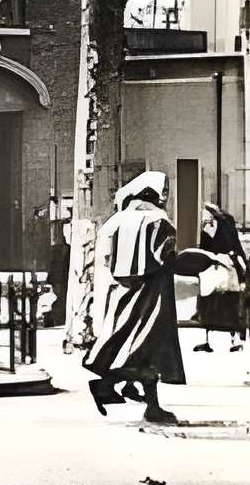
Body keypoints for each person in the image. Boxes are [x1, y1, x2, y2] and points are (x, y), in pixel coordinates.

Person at [85, 171, 186, 425]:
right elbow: (166, 256)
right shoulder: (159, 222)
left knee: (131, 343)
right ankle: (106, 385)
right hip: (154, 294)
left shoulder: (115, 222)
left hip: (123, 294)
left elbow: (106, 259)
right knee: (148, 347)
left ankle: (152, 406)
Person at [194, 201, 249, 353]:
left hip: (225, 268)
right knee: (211, 303)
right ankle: (212, 340)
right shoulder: (211, 228)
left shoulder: (225, 225)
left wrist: (240, 263)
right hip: (214, 269)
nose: (205, 222)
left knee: (227, 303)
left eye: (207, 219)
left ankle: (233, 340)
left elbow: (234, 246)